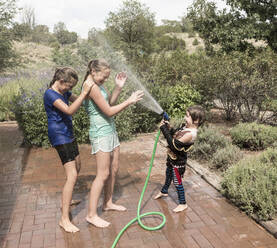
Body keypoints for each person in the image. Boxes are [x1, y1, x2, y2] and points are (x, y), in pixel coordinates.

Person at [83, 59, 144, 228]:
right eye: (103, 77)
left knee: (114, 168)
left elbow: (108, 104)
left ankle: (108, 203)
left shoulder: (97, 84)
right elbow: (109, 112)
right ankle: (91, 215)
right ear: (93, 72)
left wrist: (118, 87)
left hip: (110, 131)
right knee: (102, 174)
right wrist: (129, 101)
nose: (104, 81)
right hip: (100, 133)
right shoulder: (91, 86)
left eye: (107, 78)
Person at [43, 67, 94, 233]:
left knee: (78, 166)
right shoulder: (50, 94)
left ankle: (68, 199)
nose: (70, 90)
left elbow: (80, 100)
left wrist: (89, 93)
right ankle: (64, 219)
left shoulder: (64, 91)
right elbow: (70, 110)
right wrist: (84, 92)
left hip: (68, 133)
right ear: (61, 81)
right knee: (72, 175)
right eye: (69, 86)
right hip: (59, 136)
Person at [154, 105, 205, 213]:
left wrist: (163, 129)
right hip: (172, 158)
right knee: (168, 174)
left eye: (187, 116)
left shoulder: (191, 134)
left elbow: (174, 145)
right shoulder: (186, 127)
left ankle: (183, 203)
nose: (184, 118)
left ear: (196, 120)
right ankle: (164, 191)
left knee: (177, 182)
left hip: (179, 162)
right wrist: (168, 127)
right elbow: (175, 134)